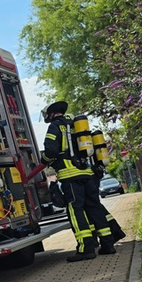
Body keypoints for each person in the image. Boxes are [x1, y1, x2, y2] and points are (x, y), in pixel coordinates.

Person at [41, 101, 115, 262]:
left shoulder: (55, 127)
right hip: (88, 174)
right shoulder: (76, 125)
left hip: (70, 176)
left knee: (76, 210)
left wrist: (44, 160)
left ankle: (85, 248)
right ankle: (108, 244)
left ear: (51, 114)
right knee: (94, 207)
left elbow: (51, 151)